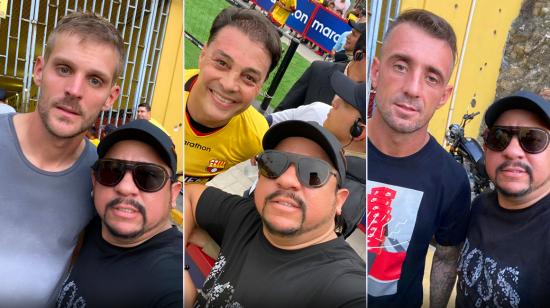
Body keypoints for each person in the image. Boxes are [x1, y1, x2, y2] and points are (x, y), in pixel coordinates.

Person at [0, 11, 122, 306]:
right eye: (64, 69)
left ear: (111, 97)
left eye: (94, 80)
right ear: (39, 70)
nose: (74, 91)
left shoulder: (103, 178)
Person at [185, 120, 366, 307]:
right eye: (273, 163)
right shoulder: (247, 217)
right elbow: (190, 194)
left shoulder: (344, 287)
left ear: (339, 200)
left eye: (314, 172)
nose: (286, 180)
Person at [367, 9, 471, 307]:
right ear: (376, 71)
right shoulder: (332, 144)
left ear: (444, 96)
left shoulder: (452, 181)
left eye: (431, 77)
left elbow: (447, 256)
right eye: (400, 66)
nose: (413, 89)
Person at [56, 120, 182, 307]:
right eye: (111, 171)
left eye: (148, 176)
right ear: (94, 181)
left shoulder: (171, 279)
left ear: (173, 194)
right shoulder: (88, 226)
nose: (124, 187)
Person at [456, 91, 550, 307]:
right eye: (500, 137)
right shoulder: (480, 206)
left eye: (533, 139)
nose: (512, 151)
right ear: (486, 146)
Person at [184, 7, 280, 183]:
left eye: (249, 77)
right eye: (222, 63)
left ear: (260, 86)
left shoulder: (257, 137)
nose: (229, 85)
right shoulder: (157, 87)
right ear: (203, 54)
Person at [274, 30, 366, 112]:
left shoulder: (369, 104)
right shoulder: (319, 70)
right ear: (360, 54)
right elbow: (283, 111)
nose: (348, 36)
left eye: (354, 34)